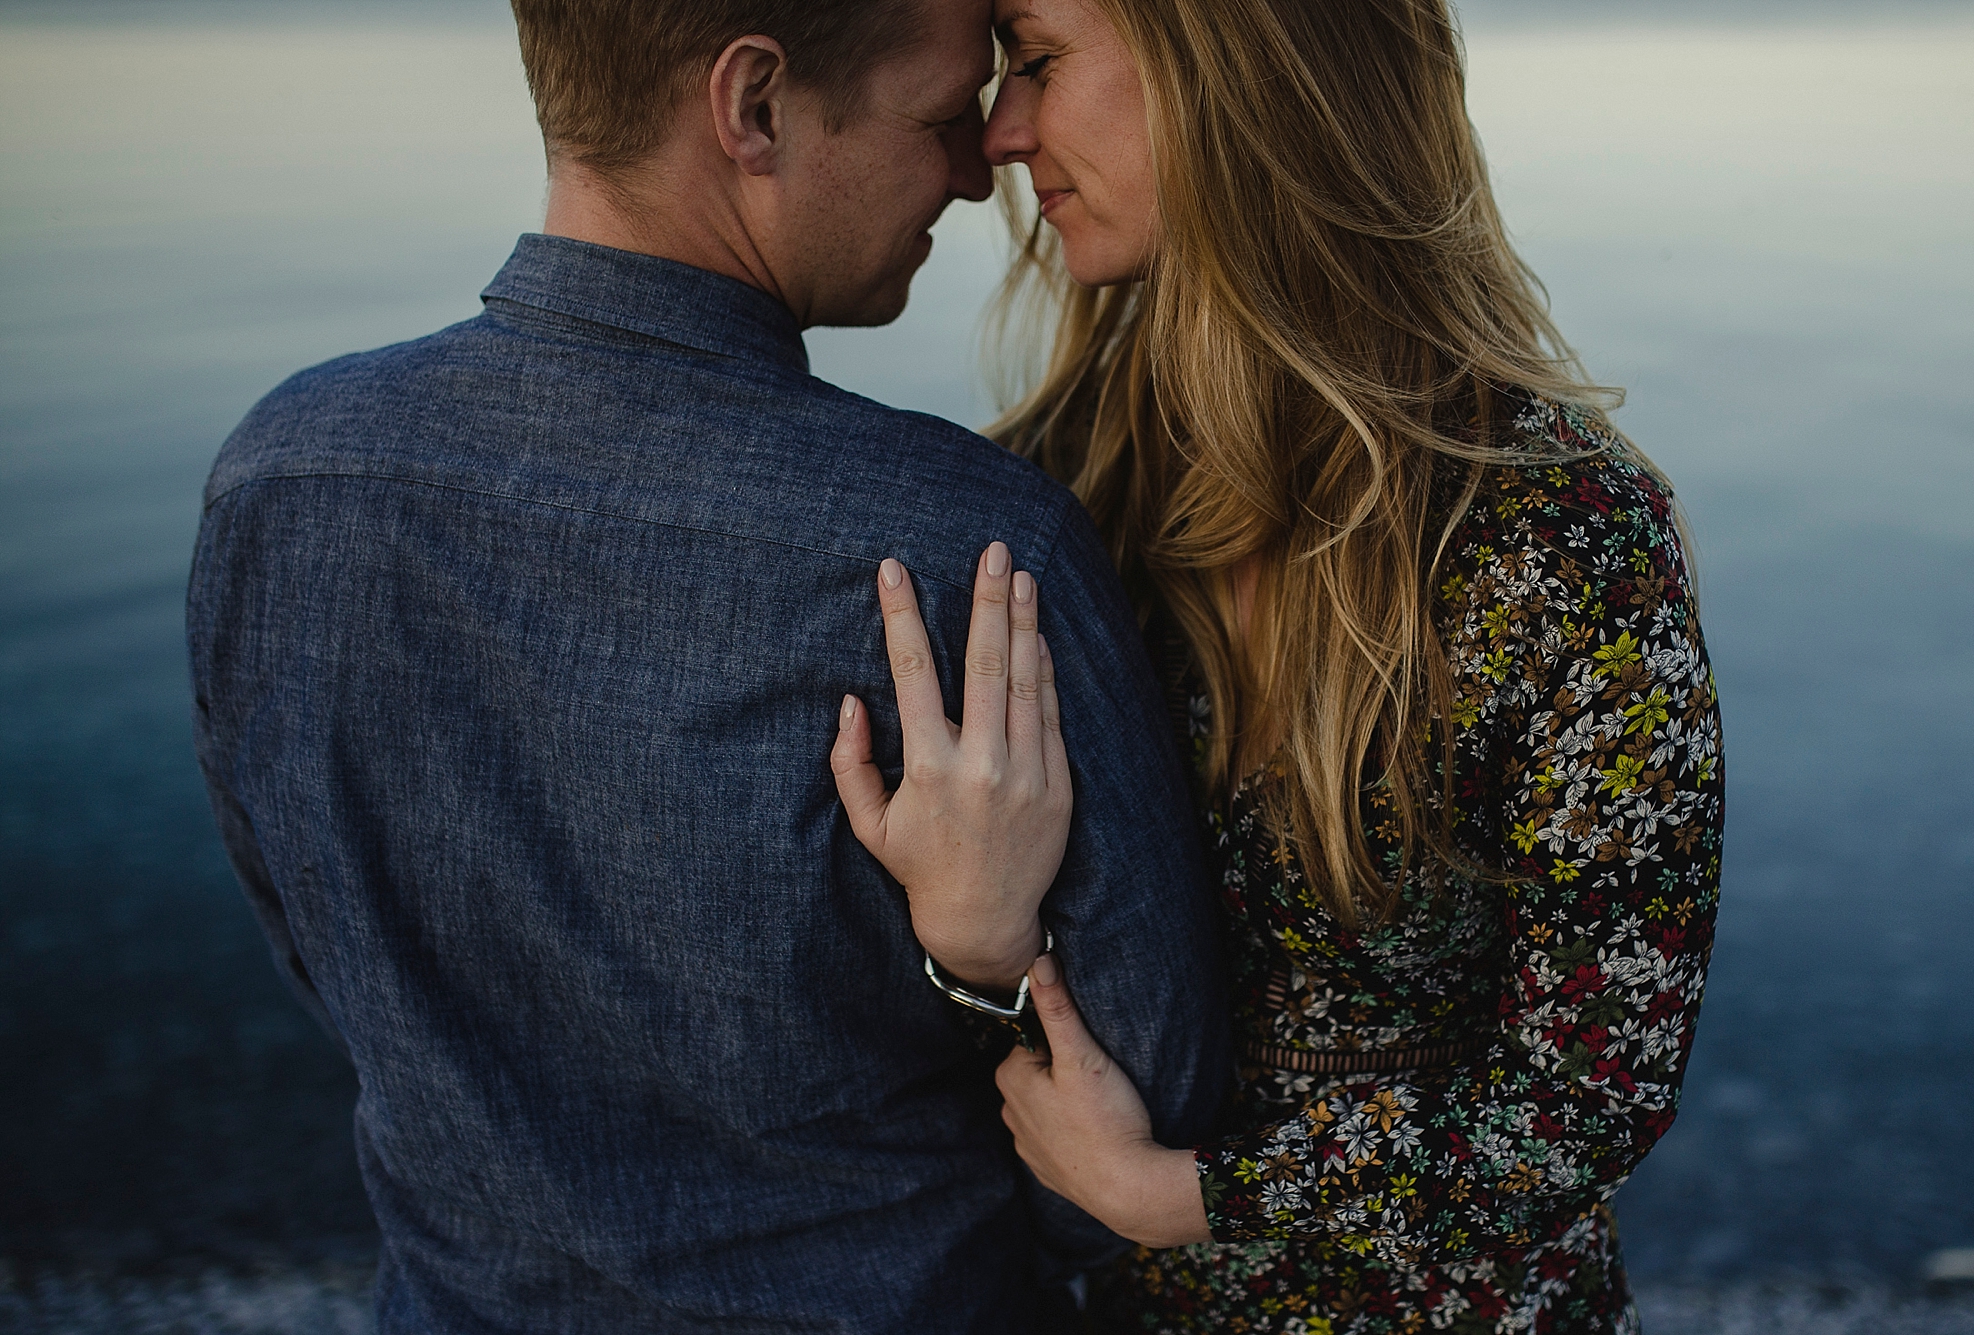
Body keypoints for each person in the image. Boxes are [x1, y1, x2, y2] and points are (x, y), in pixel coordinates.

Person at [184, 0, 1230, 1330]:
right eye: (937, 114)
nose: (979, 170)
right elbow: (1139, 1118)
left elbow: (335, 967)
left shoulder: (279, 480)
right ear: (753, 108)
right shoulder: (966, 551)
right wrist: (983, 968)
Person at [829, 0, 1725, 1329]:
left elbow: (1591, 1091)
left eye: (1043, 59)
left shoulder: (1559, 542)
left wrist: (1183, 1194)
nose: (1002, 133)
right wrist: (977, 953)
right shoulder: (1050, 506)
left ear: (1238, 67)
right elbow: (959, 1030)